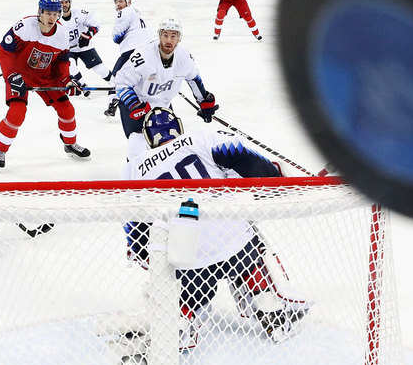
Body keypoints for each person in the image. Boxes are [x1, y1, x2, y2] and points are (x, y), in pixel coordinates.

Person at [121, 107, 309, 350]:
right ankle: (271, 309)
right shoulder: (199, 138)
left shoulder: (135, 169)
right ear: (177, 127)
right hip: (235, 246)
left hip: (189, 259)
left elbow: (134, 230)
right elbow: (244, 158)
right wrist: (275, 178)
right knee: (249, 250)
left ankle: (180, 322)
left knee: (184, 289)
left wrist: (148, 258)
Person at [0, 0, 90, 168]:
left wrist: (67, 81)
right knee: (17, 112)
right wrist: (11, 75)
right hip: (19, 75)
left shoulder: (62, 34)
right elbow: (3, 52)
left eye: (55, 13)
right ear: (40, 12)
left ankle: (70, 144)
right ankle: (0, 149)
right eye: (48, 13)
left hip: (45, 76)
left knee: (67, 109)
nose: (52, 17)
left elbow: (62, 62)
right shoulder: (24, 26)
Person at [111, 18, 218, 160]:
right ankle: (134, 179)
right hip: (138, 104)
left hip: (163, 105)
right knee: (137, 151)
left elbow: (194, 79)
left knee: (169, 149)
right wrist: (135, 105)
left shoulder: (184, 57)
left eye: (173, 36)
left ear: (179, 38)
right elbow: (121, 83)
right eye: (165, 35)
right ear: (159, 35)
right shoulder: (143, 56)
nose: (169, 40)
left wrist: (204, 101)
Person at [104, 0, 154, 117]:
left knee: (116, 78)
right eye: (116, 2)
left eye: (121, 1)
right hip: (146, 49)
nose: (119, 4)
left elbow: (117, 36)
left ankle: (112, 103)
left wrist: (117, 37)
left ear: (128, 2)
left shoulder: (125, 12)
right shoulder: (136, 13)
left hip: (131, 51)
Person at [58, 0, 111, 98]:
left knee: (100, 69)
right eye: (62, 2)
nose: (64, 5)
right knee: (70, 65)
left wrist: (88, 35)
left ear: (70, 3)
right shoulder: (55, 18)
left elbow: (96, 25)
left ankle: (115, 84)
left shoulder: (80, 13)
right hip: (69, 50)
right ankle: (82, 86)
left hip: (85, 47)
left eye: (66, 2)